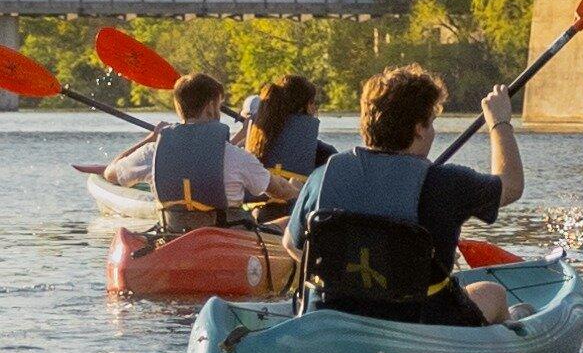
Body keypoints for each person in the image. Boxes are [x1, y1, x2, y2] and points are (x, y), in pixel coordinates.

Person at [283, 65, 522, 326]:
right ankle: (516, 322)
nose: (432, 132)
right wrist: (500, 122)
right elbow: (511, 185)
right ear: (419, 128)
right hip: (419, 325)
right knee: (494, 293)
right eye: (431, 123)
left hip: (333, 318)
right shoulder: (447, 183)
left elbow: (291, 245)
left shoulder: (323, 176)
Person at [105, 72, 286, 233]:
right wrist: (300, 192)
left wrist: (150, 139)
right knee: (287, 222)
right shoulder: (237, 156)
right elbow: (280, 191)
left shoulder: (152, 152)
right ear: (210, 107)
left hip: (174, 234)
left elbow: (110, 174)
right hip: (228, 241)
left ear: (178, 107)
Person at [244, 73, 333, 196]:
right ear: (306, 107)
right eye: (313, 103)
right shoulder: (326, 153)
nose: (314, 109)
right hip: (294, 205)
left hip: (257, 206)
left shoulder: (254, 139)